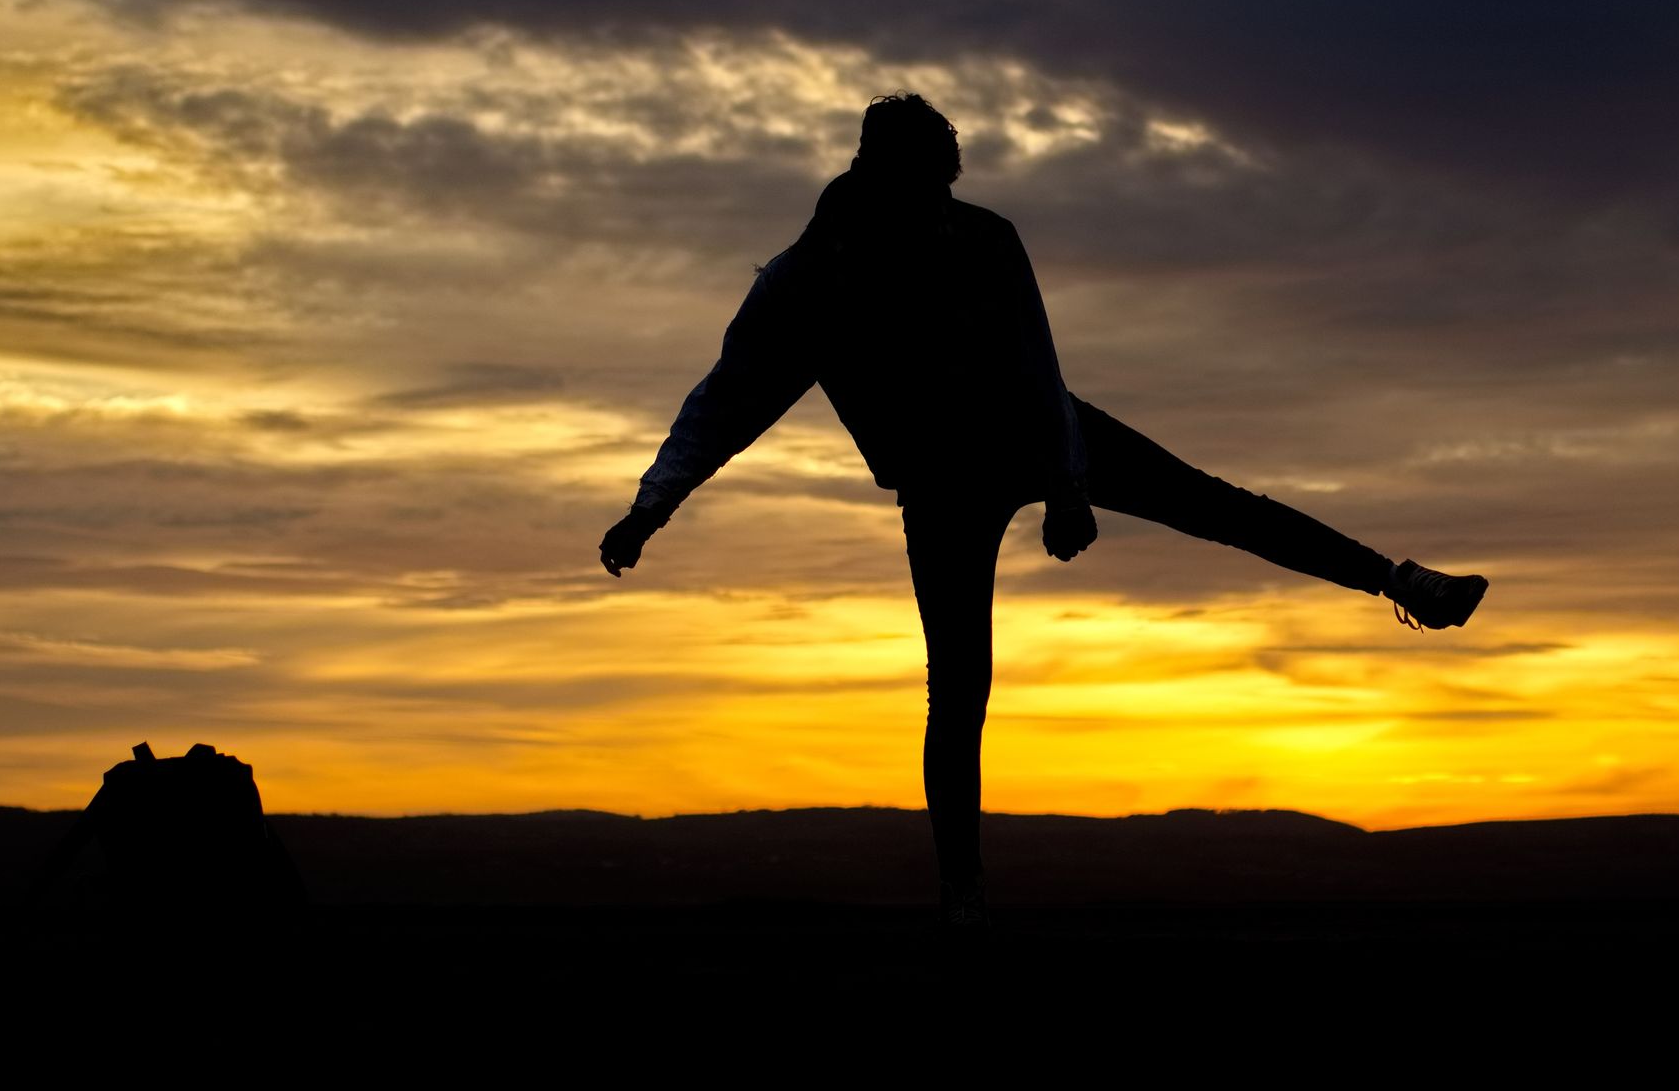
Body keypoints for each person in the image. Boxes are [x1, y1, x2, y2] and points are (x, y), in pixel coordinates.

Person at [599, 94, 1487, 926]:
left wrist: (1067, 487)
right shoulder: (804, 284)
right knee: (960, 688)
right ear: (878, 177)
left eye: (941, 188)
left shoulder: (982, 239)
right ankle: (963, 896)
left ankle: (1401, 581)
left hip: (1035, 429)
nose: (933, 206)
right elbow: (730, 399)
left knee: (1219, 506)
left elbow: (1035, 362)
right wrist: (650, 510)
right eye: (920, 189)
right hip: (941, 484)